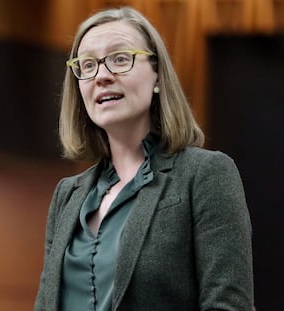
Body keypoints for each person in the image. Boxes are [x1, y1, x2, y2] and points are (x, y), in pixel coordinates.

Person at [34, 6, 253, 311]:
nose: (102, 76)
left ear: (157, 76)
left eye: (120, 59)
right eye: (87, 65)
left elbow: (228, 306)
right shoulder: (67, 195)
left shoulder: (205, 174)